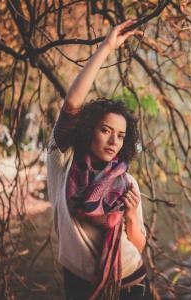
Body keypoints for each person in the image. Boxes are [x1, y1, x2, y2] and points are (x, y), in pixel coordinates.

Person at [46, 19, 151, 300]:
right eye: (105, 130)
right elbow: (70, 106)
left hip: (132, 283)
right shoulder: (63, 163)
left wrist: (130, 216)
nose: (113, 140)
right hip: (81, 283)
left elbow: (138, 244)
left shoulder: (127, 182)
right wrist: (106, 48)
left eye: (120, 135)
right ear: (89, 129)